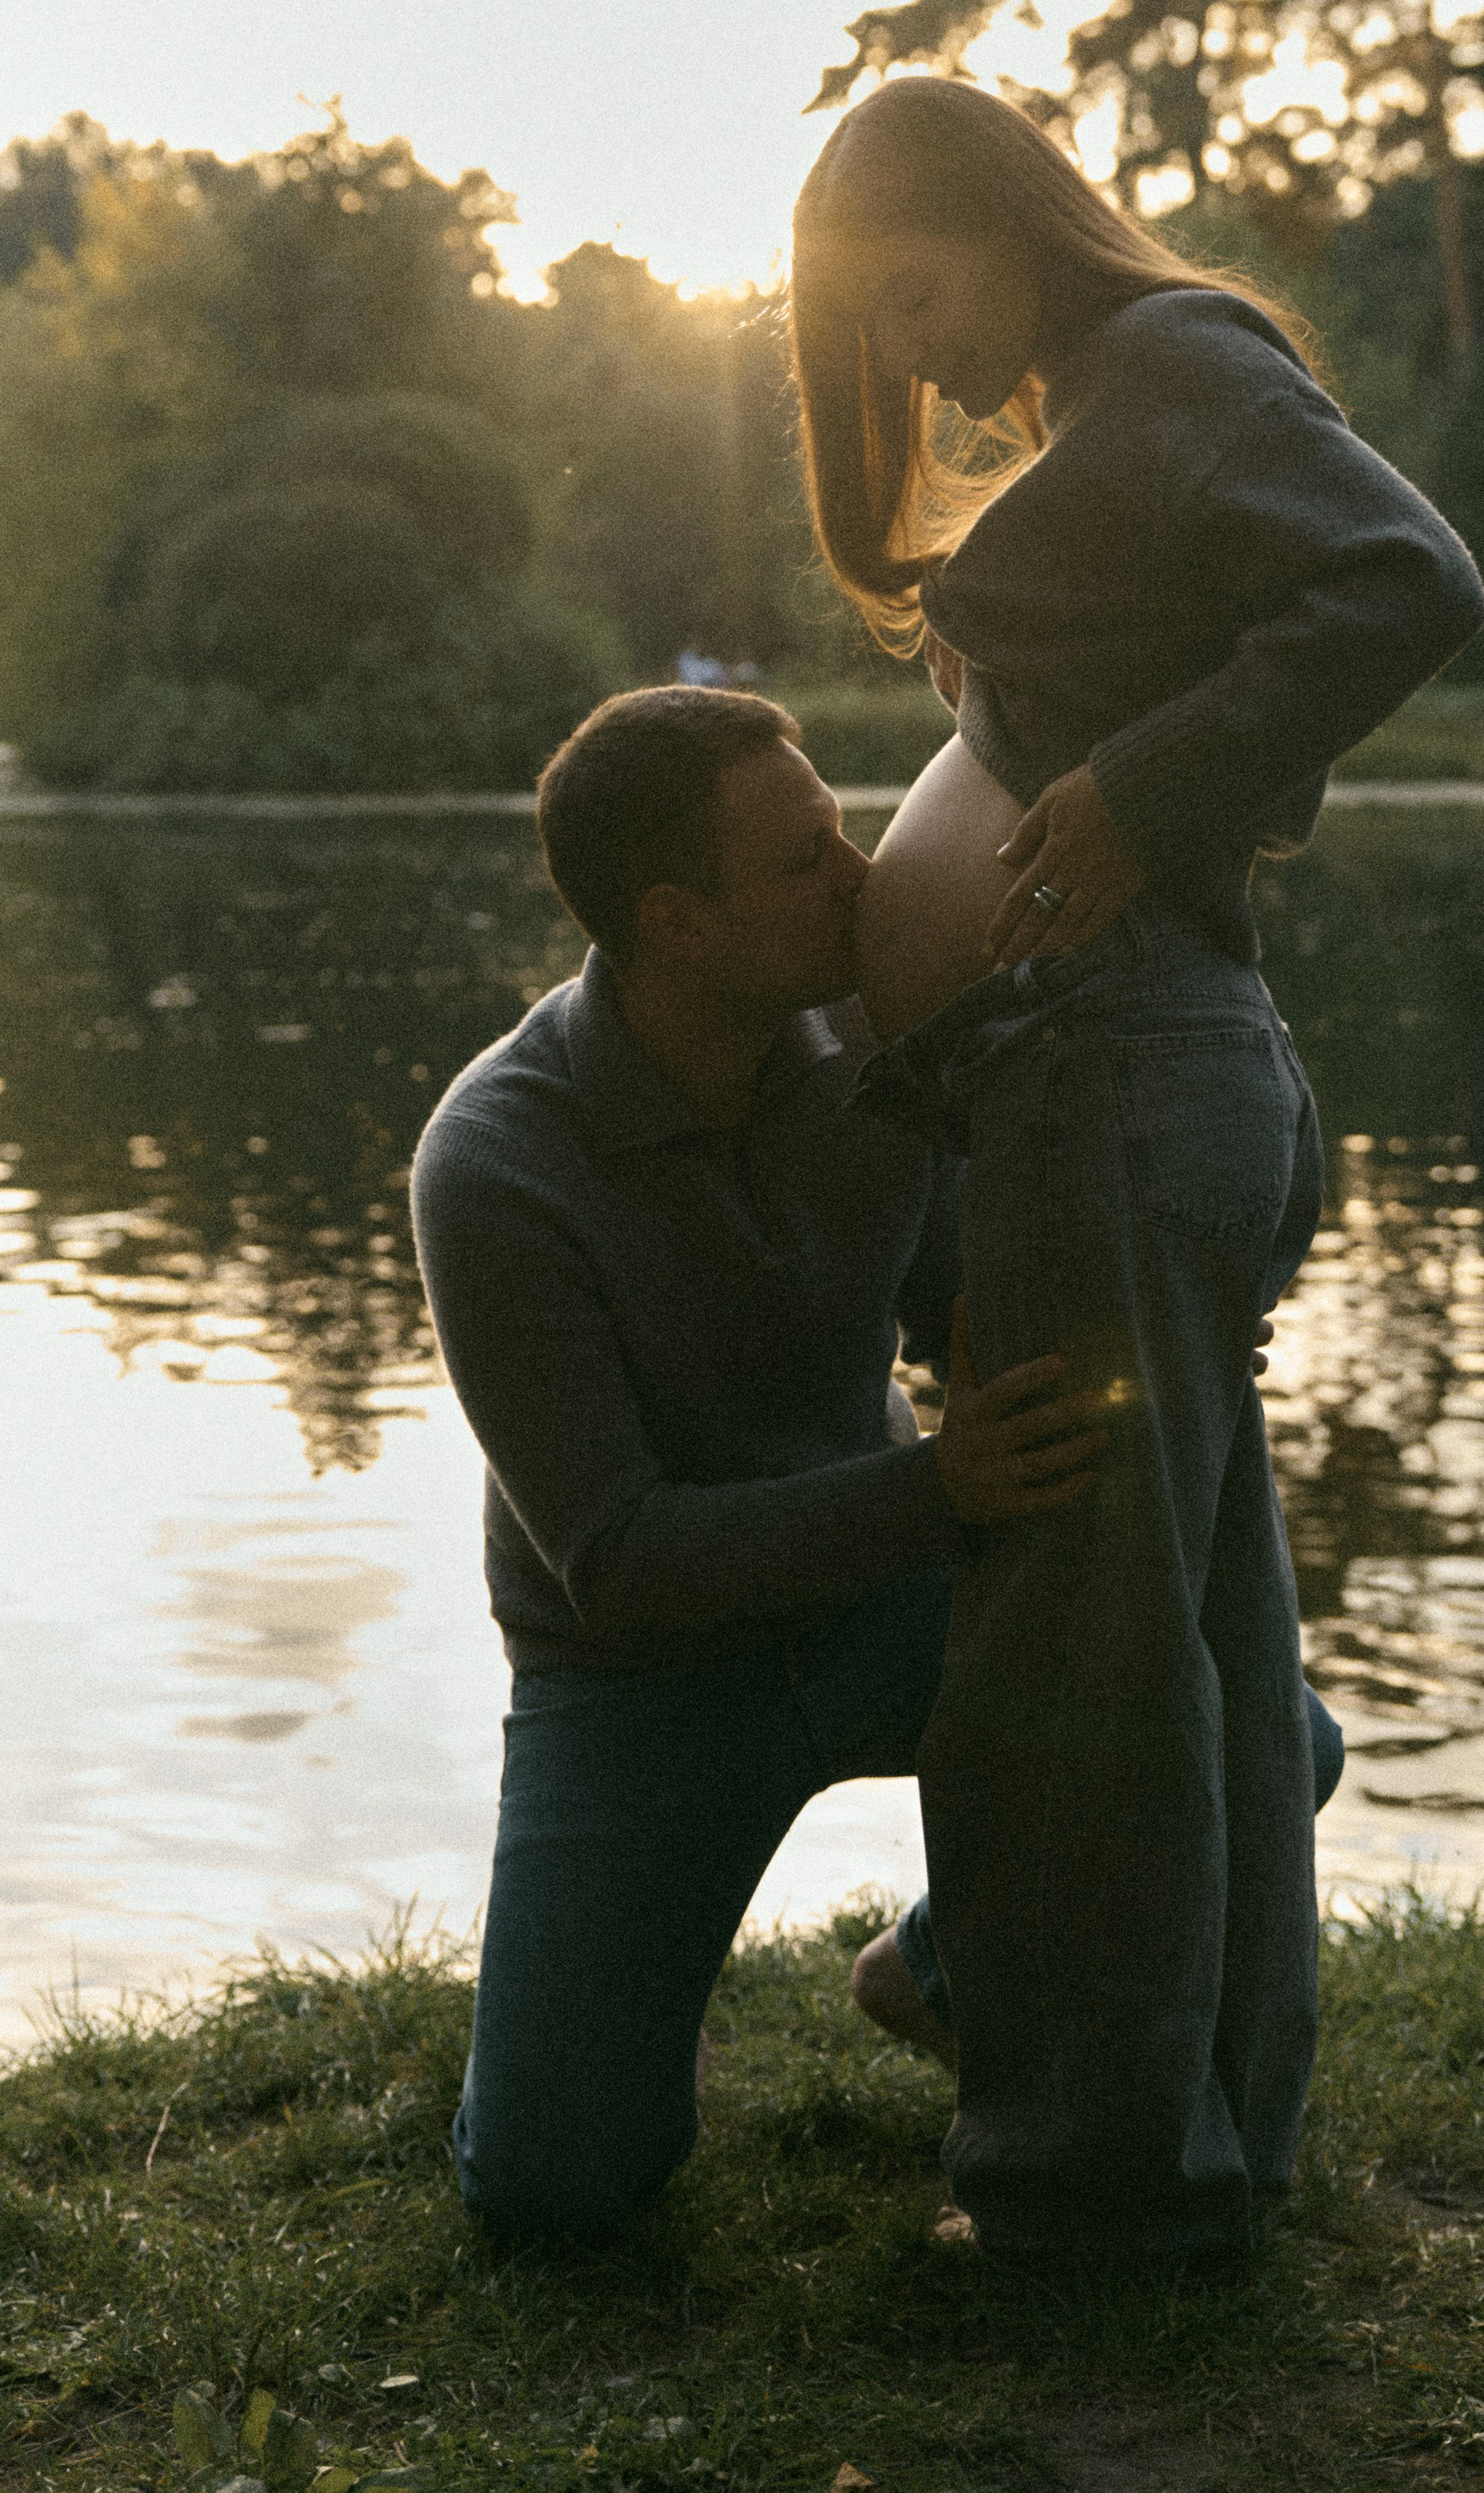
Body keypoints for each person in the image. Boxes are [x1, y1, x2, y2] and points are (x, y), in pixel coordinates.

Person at [790, 73, 1484, 2263]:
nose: (909, 355)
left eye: (915, 293)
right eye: (867, 330)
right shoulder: (1110, 398)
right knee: (1175, 1623)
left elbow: (1407, 581)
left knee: (1081, 1653)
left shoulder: (1172, 363)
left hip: (1120, 1088)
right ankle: (1208, 2135)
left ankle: (1088, 2179)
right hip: (1093, 1093)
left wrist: (1139, 792)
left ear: (1009, 215)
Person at [413, 684, 1340, 2242]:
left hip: (893, 1607)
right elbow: (620, 1559)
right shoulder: (497, 1161)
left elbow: (998, 1298)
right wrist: (935, 1493)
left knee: (1267, 1741)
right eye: (806, 862)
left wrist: (1159, 1326)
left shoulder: (876, 1045)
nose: (867, 879)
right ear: (675, 921)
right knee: (554, 2197)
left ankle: (937, 1968)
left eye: (844, 833)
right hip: (634, 1677)